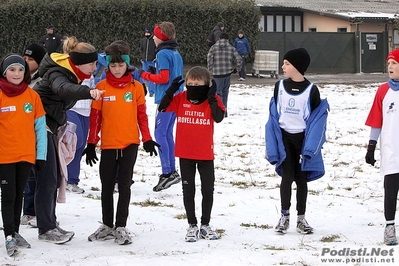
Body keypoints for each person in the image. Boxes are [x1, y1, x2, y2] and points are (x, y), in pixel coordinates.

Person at [84, 40, 159, 245]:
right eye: (113, 65)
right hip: (108, 145)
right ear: (107, 65)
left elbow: (141, 116)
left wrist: (148, 139)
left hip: (129, 144)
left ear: (127, 64)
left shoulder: (136, 88)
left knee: (124, 186)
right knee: (106, 186)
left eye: (121, 65)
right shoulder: (101, 87)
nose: (117, 69)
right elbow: (95, 118)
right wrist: (91, 143)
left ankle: (121, 226)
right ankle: (107, 225)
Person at [33, 36, 104, 244]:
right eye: (92, 63)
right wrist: (88, 92)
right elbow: (62, 89)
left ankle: (49, 224)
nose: (94, 67)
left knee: (52, 179)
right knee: (47, 180)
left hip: (48, 127)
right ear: (80, 62)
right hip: (37, 127)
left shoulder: (71, 73)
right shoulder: (59, 73)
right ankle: (45, 229)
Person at [265, 48, 329, 235]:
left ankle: (301, 219)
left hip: (302, 139)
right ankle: (284, 216)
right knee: (287, 176)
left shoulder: (312, 90)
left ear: (298, 67)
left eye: (287, 63)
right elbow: (274, 114)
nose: (283, 66)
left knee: (301, 179)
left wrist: (311, 146)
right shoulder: (279, 86)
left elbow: (317, 120)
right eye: (284, 63)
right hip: (285, 139)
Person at [158, 66, 225, 242]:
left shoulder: (213, 99)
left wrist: (211, 99)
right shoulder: (181, 98)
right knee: (188, 190)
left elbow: (218, 117)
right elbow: (162, 108)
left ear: (207, 84)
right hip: (185, 153)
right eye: (190, 83)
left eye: (198, 83)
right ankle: (192, 224)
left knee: (207, 190)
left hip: (205, 154)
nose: (194, 86)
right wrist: (171, 90)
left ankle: (205, 224)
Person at [0, 54, 47, 256]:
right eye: (12, 70)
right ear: (4, 72)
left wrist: (41, 155)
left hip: (26, 155)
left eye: (20, 70)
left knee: (19, 194)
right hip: (4, 156)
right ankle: (9, 236)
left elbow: (40, 129)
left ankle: (16, 232)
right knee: (8, 196)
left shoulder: (32, 96)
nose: (16, 73)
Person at [140, 21, 184, 192]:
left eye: (155, 35)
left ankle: (167, 172)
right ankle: (171, 170)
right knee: (167, 134)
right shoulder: (175, 52)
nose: (153, 37)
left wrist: (146, 75)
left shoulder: (163, 53)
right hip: (176, 97)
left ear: (161, 37)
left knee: (159, 134)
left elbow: (164, 78)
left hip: (166, 98)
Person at [365, 48, 399, 246]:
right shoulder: (383, 91)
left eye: (394, 63)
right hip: (391, 151)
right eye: (388, 64)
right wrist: (371, 146)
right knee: (391, 190)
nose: (390, 67)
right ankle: (389, 227)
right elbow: (376, 120)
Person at [20, 43, 47, 227]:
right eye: (25, 58)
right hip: (19, 135)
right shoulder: (17, 78)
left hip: (38, 133)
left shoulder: (43, 81)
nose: (26, 62)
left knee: (37, 175)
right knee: (26, 177)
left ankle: (36, 210)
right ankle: (28, 210)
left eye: (31, 59)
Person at [207, 32, 242, 117]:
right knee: (225, 93)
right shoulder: (231, 48)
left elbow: (209, 59)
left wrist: (210, 70)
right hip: (227, 74)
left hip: (216, 74)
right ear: (227, 40)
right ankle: (225, 111)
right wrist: (236, 69)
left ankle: (219, 112)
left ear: (219, 39)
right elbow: (239, 59)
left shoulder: (213, 48)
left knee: (218, 93)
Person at [140, 26, 156, 97]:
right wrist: (141, 57)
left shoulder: (154, 40)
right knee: (142, 76)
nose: (146, 34)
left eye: (148, 32)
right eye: (145, 32)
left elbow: (157, 49)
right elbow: (141, 49)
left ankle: (151, 92)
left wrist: (155, 58)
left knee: (151, 77)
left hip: (151, 61)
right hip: (144, 61)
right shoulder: (143, 40)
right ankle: (142, 90)